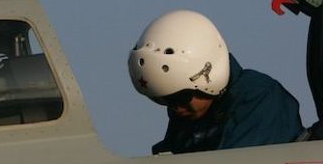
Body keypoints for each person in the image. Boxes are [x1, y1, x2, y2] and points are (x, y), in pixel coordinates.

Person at [127, 9, 302, 154]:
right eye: (163, 100)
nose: (176, 108)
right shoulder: (188, 115)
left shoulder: (258, 97)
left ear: (208, 79)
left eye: (180, 97)